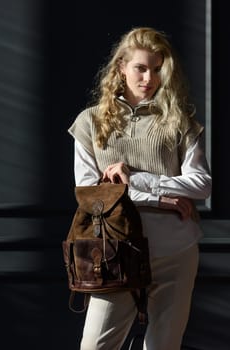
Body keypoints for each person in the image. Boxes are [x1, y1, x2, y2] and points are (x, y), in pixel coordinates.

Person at [68, 27, 212, 350]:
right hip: (115, 251)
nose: (149, 78)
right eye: (141, 68)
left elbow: (202, 184)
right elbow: (90, 194)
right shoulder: (90, 122)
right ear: (121, 67)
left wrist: (135, 179)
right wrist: (161, 199)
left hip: (175, 250)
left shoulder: (179, 122)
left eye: (158, 69)